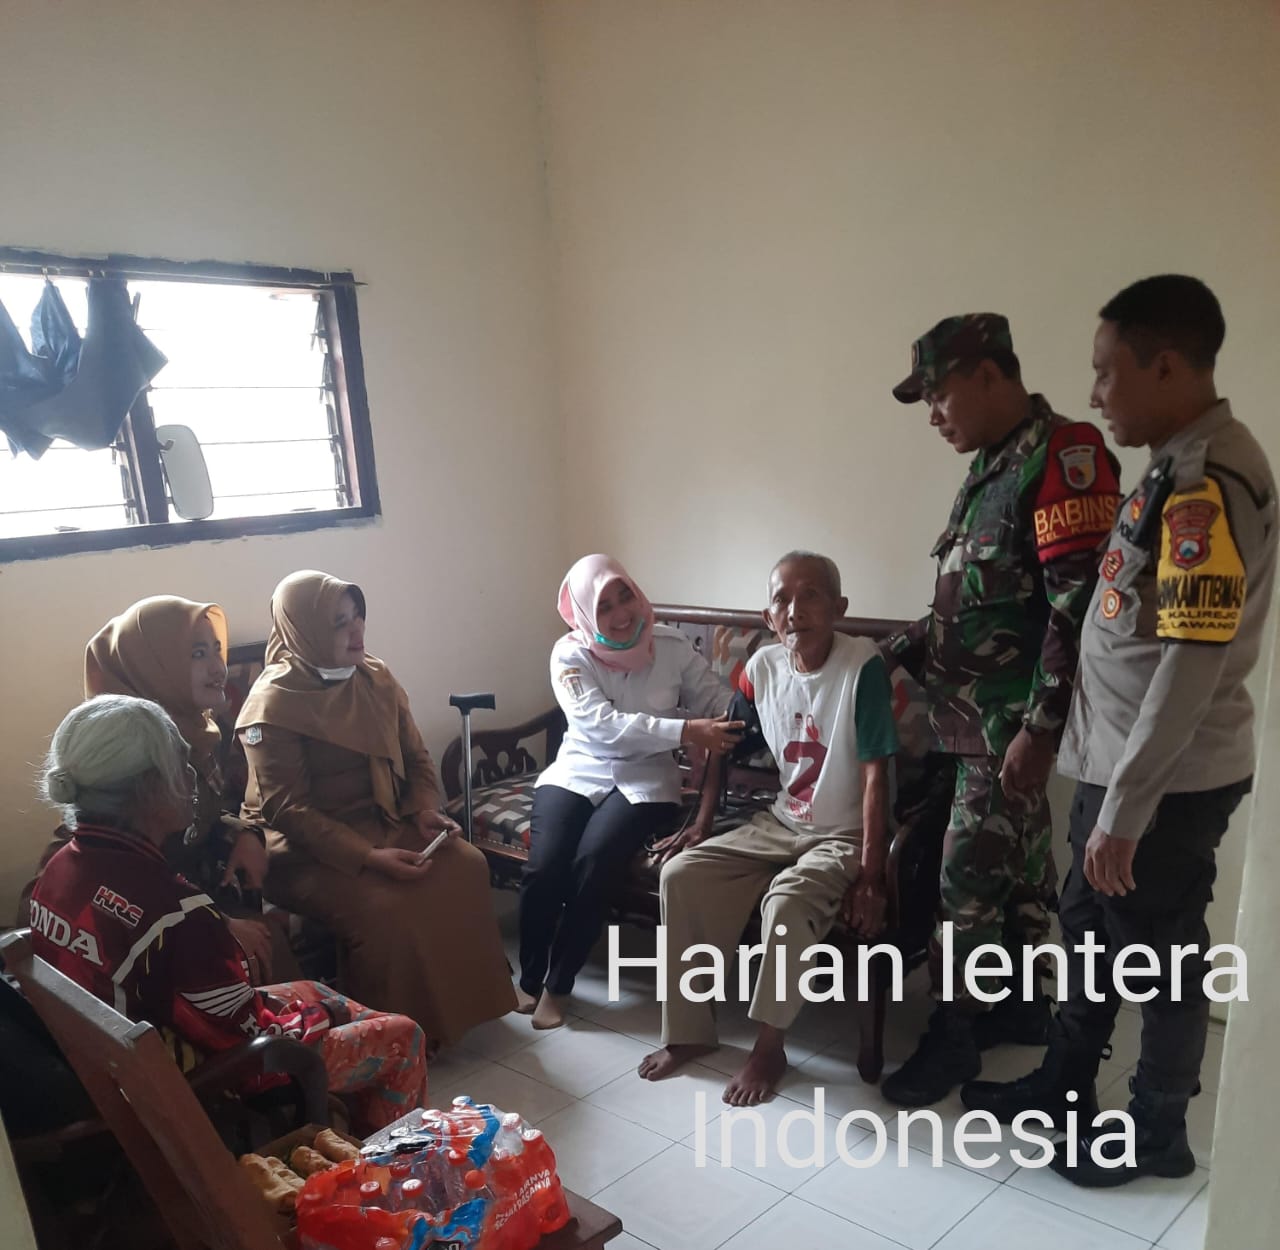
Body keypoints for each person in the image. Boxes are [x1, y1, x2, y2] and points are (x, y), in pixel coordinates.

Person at [962, 276, 1277, 1186]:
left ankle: (1156, 1131)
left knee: (1157, 958)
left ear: (1165, 365)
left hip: (1165, 782)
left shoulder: (1206, 482)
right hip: (1118, 765)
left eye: (1107, 371)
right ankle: (1065, 1084)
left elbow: (1190, 664)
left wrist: (1126, 813)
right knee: (1092, 937)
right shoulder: (1174, 463)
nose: (1095, 392)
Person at [881, 313, 1121, 1107]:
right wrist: (892, 652)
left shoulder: (1063, 456)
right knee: (1011, 872)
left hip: (1008, 727)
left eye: (939, 394)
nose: (933, 415)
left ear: (988, 374)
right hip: (967, 722)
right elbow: (971, 604)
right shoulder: (990, 466)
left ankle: (953, 1037)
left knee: (965, 883)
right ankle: (1017, 1006)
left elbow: (1075, 610)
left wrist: (1039, 730)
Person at [29, 694, 427, 1133]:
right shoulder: (177, 914)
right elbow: (252, 1037)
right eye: (181, 763)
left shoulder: (59, 868)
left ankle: (357, 1139)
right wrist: (323, 1015)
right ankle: (392, 1164)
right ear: (149, 788)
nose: (193, 777)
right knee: (403, 1037)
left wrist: (318, 1006)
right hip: (205, 1082)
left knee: (316, 990)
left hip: (111, 1059)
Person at [638, 552, 898, 1106]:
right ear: (768, 615)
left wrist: (872, 875)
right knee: (681, 875)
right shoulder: (761, 667)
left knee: (786, 902)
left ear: (839, 608)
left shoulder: (862, 666)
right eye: (782, 599)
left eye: (811, 596)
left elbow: (877, 773)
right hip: (780, 821)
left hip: (843, 832)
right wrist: (702, 822)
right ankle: (688, 1032)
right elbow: (724, 741)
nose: (795, 610)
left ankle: (768, 1047)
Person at [236, 570, 516, 1046]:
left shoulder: (375, 677)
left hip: (386, 819)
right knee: (386, 908)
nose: (357, 630)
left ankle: (471, 1006)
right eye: (339, 622)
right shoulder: (274, 704)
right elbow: (287, 809)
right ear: (306, 631)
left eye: (357, 616)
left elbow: (416, 756)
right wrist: (368, 858)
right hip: (309, 850)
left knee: (467, 865)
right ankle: (389, 1039)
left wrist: (424, 809)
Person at [17, 595, 293, 984]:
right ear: (153, 666)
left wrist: (243, 832)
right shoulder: (130, 758)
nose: (219, 667)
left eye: (216, 649)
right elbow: (77, 882)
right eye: (198, 654)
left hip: (187, 903)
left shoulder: (200, 735)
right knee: (270, 954)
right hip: (152, 928)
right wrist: (216, 924)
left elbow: (202, 814)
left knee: (273, 943)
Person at [518, 554, 736, 1030]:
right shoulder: (569, 655)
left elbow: (717, 701)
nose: (621, 615)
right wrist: (685, 731)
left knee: (594, 860)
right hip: (579, 769)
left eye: (626, 597)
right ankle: (529, 978)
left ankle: (558, 985)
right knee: (545, 865)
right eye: (604, 607)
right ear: (583, 613)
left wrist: (755, 698)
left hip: (647, 780)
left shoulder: (670, 646)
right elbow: (600, 726)